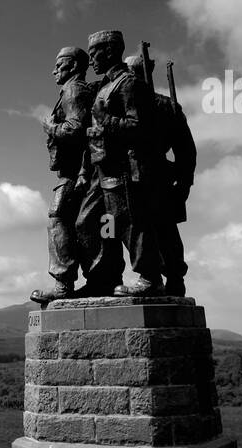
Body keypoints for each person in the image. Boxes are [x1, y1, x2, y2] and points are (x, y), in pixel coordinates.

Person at [74, 29, 163, 297]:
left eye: (94, 54)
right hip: (99, 169)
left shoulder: (129, 84)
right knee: (90, 223)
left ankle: (150, 278)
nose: (91, 61)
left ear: (111, 51)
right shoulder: (103, 86)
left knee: (128, 222)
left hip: (120, 168)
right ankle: (103, 277)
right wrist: (83, 169)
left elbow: (141, 128)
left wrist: (107, 121)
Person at [125, 54, 197, 297]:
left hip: (152, 177)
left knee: (159, 229)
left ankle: (166, 277)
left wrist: (184, 182)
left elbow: (185, 150)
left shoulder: (162, 106)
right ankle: (162, 277)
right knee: (148, 229)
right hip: (138, 176)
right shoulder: (157, 104)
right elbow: (186, 151)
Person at [30, 46, 95, 305]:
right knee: (86, 225)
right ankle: (91, 279)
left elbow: (75, 129)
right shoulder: (75, 89)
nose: (54, 70)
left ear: (74, 67)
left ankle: (63, 284)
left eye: (60, 65)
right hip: (81, 171)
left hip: (77, 172)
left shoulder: (73, 90)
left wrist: (50, 127)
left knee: (58, 217)